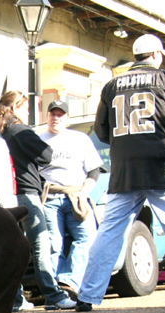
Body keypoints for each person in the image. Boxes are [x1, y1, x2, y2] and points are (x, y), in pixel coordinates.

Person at [76, 34, 165, 312]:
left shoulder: (111, 86)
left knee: (109, 232)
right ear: (155, 55)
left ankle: (87, 295)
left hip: (123, 170)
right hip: (160, 166)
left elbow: (102, 131)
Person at [0, 90, 75, 311]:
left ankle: (16, 299)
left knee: (12, 248)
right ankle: (54, 296)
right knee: (40, 245)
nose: (29, 112)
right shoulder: (20, 130)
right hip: (26, 193)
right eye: (26, 107)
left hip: (4, 193)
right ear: (16, 108)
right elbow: (45, 155)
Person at [38, 100, 103, 297]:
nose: (56, 118)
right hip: (49, 198)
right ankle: (57, 291)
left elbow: (94, 170)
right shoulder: (38, 140)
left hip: (76, 196)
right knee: (53, 245)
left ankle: (70, 281)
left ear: (67, 118)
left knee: (88, 239)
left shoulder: (80, 139)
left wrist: (84, 192)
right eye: (52, 114)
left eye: (60, 115)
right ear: (47, 116)